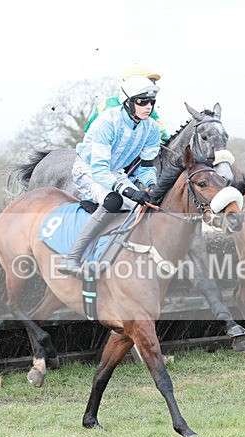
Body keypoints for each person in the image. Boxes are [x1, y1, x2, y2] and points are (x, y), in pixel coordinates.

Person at [57, 75, 162, 277]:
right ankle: (72, 258)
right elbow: (99, 170)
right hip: (88, 169)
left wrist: (150, 185)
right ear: (128, 102)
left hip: (115, 172)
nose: (148, 107)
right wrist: (129, 190)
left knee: (145, 207)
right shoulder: (107, 122)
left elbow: (148, 166)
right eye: (142, 102)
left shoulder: (152, 129)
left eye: (151, 102)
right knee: (113, 200)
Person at [84, 64, 169, 142]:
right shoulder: (109, 105)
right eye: (149, 82)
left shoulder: (148, 109)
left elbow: (163, 136)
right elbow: (90, 132)